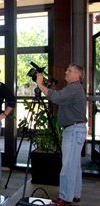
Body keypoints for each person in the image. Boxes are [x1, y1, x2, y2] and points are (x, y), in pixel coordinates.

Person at [36, 63, 87, 206]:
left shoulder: (74, 88)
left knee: (68, 166)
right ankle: (75, 194)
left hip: (74, 130)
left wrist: (40, 85)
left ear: (78, 75)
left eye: (69, 70)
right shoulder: (73, 88)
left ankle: (65, 198)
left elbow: (57, 98)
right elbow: (60, 96)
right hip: (76, 129)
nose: (65, 72)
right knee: (74, 165)